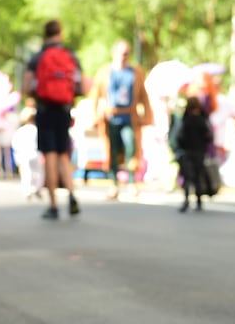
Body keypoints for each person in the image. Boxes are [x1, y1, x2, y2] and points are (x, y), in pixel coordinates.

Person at [23, 18, 82, 220]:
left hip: (45, 109)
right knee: (63, 153)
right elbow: (81, 85)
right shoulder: (70, 56)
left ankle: (54, 204)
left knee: (49, 154)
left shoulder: (38, 57)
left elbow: (26, 86)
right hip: (65, 109)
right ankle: (72, 195)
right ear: (60, 33)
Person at [95, 41, 150, 200]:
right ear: (114, 53)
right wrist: (95, 115)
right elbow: (96, 95)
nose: (124, 56)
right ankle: (113, 183)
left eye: (127, 52)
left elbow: (143, 96)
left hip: (129, 117)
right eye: (121, 52)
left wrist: (146, 116)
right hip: (110, 117)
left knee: (130, 147)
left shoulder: (136, 72)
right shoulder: (105, 72)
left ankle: (132, 182)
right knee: (111, 150)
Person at [170, 95, 212, 212]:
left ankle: (187, 201)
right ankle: (199, 202)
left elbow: (177, 136)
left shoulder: (184, 120)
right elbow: (209, 136)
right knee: (198, 177)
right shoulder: (203, 120)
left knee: (188, 178)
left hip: (187, 152)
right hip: (199, 151)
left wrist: (179, 147)